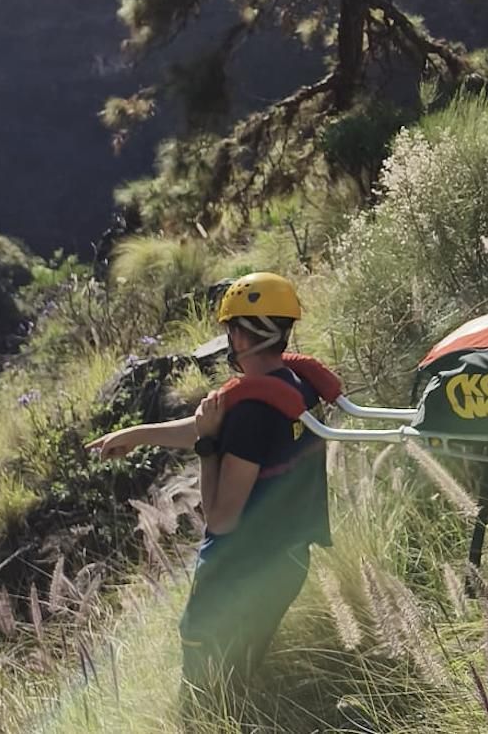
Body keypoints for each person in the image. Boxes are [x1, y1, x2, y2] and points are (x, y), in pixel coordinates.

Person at [87, 272, 338, 702]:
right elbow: (216, 425)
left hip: (235, 574)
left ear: (241, 335)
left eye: (229, 329)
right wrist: (136, 433)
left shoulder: (252, 411)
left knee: (205, 700)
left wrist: (206, 449)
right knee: (238, 685)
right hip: (286, 566)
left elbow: (222, 519)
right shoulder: (296, 386)